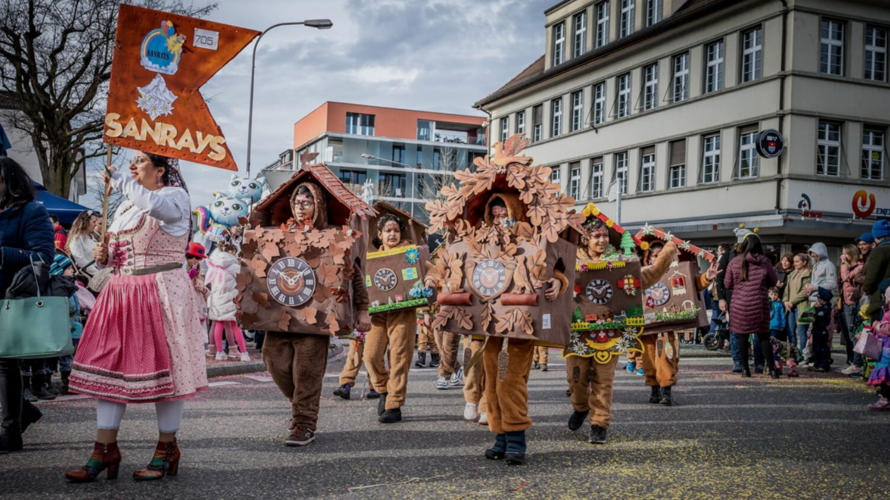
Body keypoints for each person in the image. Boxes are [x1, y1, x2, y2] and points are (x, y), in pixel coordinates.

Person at [66, 152, 207, 482]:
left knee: (168, 372)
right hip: (122, 291)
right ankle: (104, 449)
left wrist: (121, 181)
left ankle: (166, 449)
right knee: (109, 368)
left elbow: (155, 208)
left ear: (160, 170)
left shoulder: (174, 197)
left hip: (160, 291)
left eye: (141, 160)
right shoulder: (126, 207)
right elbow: (116, 256)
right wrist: (104, 258)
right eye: (132, 160)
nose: (132, 164)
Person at [263, 182, 371, 446]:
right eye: (297, 203)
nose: (301, 208)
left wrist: (364, 309)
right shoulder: (279, 235)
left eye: (307, 202)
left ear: (318, 205)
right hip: (281, 315)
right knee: (273, 362)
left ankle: (303, 424)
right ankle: (303, 406)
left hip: (317, 318)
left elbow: (353, 274)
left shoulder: (333, 236)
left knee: (308, 373)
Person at [566, 216, 649, 443]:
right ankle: (581, 407)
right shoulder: (569, 259)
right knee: (576, 379)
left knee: (604, 381)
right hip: (577, 334)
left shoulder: (621, 261)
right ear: (585, 239)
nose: (602, 240)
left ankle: (599, 423)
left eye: (605, 235)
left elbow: (644, 278)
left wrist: (669, 257)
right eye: (596, 236)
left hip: (611, 334)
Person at [0, 156, 55, 455]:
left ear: (9, 181)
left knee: (6, 362)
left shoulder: (32, 211)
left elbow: (44, 256)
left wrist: (3, 254)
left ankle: (11, 431)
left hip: (11, 297)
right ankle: (24, 412)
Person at [364, 214, 417, 424]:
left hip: (403, 312)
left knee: (399, 357)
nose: (392, 234)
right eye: (388, 230)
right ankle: (384, 389)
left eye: (396, 230)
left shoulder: (410, 253)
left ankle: (394, 403)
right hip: (377, 314)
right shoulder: (371, 258)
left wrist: (430, 280)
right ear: (380, 234)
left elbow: (429, 270)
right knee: (370, 355)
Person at [723, 233, 779, 378]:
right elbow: (773, 282)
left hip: (739, 304)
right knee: (763, 336)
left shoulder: (734, 262)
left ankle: (745, 370)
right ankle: (772, 370)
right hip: (759, 304)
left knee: (742, 336)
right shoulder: (764, 262)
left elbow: (727, 284)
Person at [206, 242, 249, 362]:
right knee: (235, 325)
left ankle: (219, 352)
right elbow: (244, 280)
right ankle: (244, 353)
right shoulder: (235, 266)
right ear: (232, 252)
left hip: (217, 299)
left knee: (218, 325)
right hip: (232, 299)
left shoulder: (213, 265)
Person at [839, 245, 864, 376]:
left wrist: (844, 263)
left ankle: (856, 364)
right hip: (845, 302)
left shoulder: (859, 266)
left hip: (853, 303)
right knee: (848, 335)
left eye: (846, 254)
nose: (843, 257)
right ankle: (851, 361)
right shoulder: (849, 266)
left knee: (854, 334)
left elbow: (845, 277)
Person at [865, 287, 890, 411]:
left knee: (885, 376)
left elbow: (888, 330)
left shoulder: (889, 313)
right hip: (885, 348)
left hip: (887, 352)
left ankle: (885, 399)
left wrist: (878, 326)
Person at [783, 253, 812, 357]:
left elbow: (805, 292)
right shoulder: (792, 274)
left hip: (803, 307)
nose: (794, 264)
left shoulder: (809, 274)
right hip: (790, 307)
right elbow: (787, 290)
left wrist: (792, 301)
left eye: (797, 261)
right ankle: (793, 354)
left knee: (802, 332)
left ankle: (803, 355)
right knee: (790, 331)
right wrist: (786, 301)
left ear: (804, 262)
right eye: (794, 261)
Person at [863, 220, 890, 323]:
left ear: (877, 237)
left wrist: (866, 289)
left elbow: (872, 275)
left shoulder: (880, 250)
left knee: (880, 334)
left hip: (881, 299)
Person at [66, 210, 101, 277]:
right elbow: (80, 260)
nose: (95, 224)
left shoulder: (93, 236)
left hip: (99, 270)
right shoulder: (76, 238)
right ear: (85, 222)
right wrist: (97, 274)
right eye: (93, 222)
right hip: (89, 275)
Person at [808, 287, 834, 372]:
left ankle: (824, 364)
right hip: (816, 330)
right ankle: (817, 363)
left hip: (822, 330)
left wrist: (816, 309)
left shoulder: (826, 308)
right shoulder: (822, 307)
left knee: (822, 348)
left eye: (819, 298)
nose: (818, 300)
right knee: (816, 348)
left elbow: (819, 315)